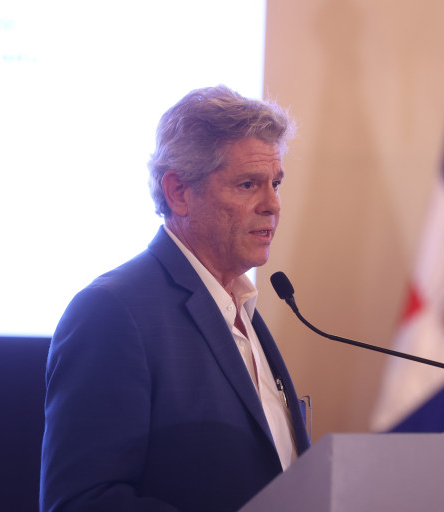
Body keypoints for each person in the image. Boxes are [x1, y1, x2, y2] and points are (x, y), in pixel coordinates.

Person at [40, 85, 311, 512]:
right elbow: (81, 502)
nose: (273, 204)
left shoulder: (243, 307)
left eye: (275, 183)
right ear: (179, 192)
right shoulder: (112, 313)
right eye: (248, 184)